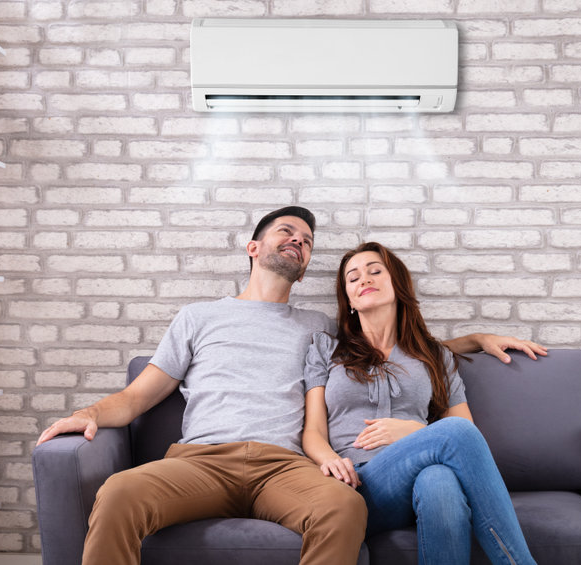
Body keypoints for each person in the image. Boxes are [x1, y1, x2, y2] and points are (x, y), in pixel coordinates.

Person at [36, 207, 543, 565]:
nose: (299, 240)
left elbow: (392, 345)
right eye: (287, 231)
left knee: (344, 506)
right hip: (200, 460)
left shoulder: (319, 328)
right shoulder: (198, 317)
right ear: (254, 247)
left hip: (286, 468)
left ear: (304, 272)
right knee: (120, 491)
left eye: (306, 240)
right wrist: (93, 414)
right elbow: (138, 395)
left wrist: (473, 338)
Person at [302, 242, 541, 565]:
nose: (364, 280)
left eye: (375, 271)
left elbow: (466, 432)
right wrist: (329, 459)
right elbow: (313, 430)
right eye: (353, 278)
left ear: (398, 285)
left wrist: (413, 431)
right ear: (349, 300)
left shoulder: (434, 356)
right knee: (451, 436)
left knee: (439, 480)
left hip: (416, 482)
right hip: (356, 485)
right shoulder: (327, 349)